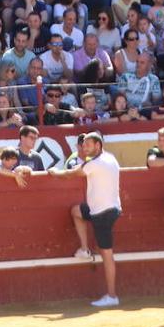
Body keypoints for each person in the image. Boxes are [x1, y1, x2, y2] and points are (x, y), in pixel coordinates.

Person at [50, 132, 121, 308]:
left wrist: (54, 172)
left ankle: (112, 295)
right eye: (84, 144)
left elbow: (70, 174)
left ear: (98, 145)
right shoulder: (109, 158)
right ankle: (84, 249)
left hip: (102, 213)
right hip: (106, 208)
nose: (85, 147)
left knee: (107, 254)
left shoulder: (95, 163)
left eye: (88, 144)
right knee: (77, 211)